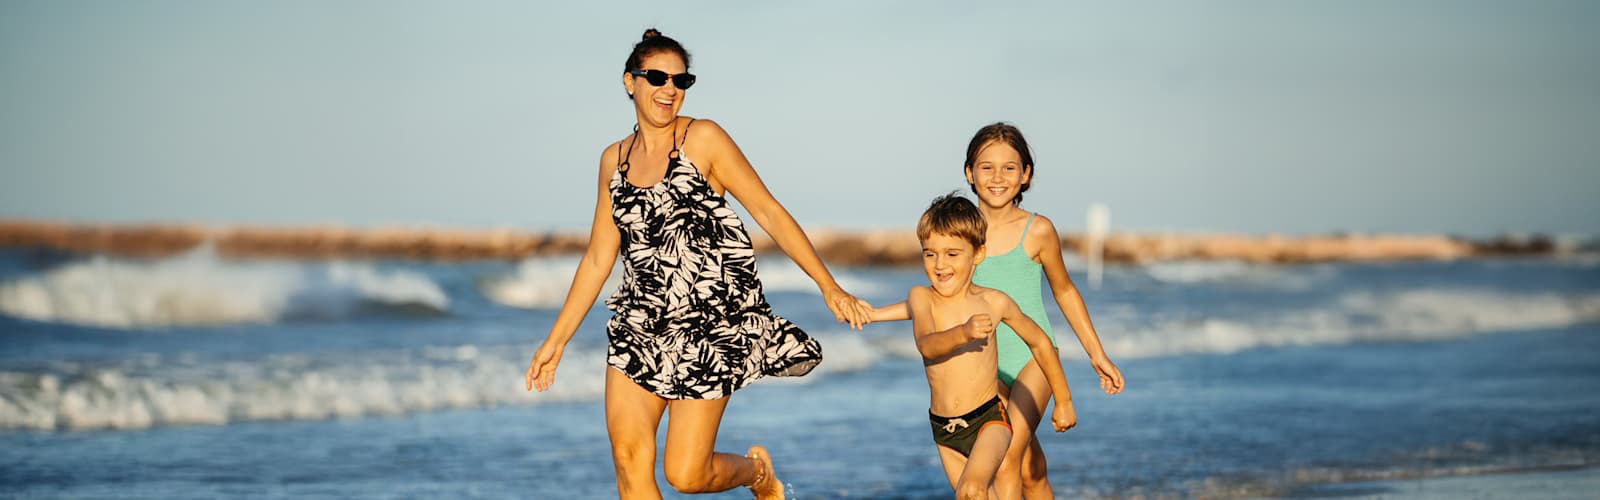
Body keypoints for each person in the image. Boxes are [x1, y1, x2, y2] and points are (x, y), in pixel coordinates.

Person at [523, 29, 871, 500]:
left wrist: (828, 285)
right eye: (657, 77)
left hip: (708, 327)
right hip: (639, 326)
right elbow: (599, 257)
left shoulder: (702, 139)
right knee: (628, 459)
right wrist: (556, 340)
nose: (669, 89)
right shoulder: (613, 161)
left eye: (680, 80)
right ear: (630, 81)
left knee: (686, 475)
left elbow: (768, 211)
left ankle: (758, 474)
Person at [875, 123, 1125, 499]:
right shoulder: (957, 234)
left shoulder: (1038, 230)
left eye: (1009, 168)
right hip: (983, 363)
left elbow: (1065, 291)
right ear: (969, 172)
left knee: (1008, 459)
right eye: (986, 167)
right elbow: (929, 299)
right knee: (1029, 470)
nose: (997, 177)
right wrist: (870, 312)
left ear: (1026, 175)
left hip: (1031, 358)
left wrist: (1097, 354)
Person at [872, 193, 1076, 500]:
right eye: (930, 254)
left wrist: (1063, 400)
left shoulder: (994, 302)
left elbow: (1040, 343)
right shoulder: (921, 297)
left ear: (978, 254)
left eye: (952, 254)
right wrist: (868, 313)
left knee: (972, 490)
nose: (940, 264)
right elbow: (927, 345)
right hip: (944, 429)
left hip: (988, 420)